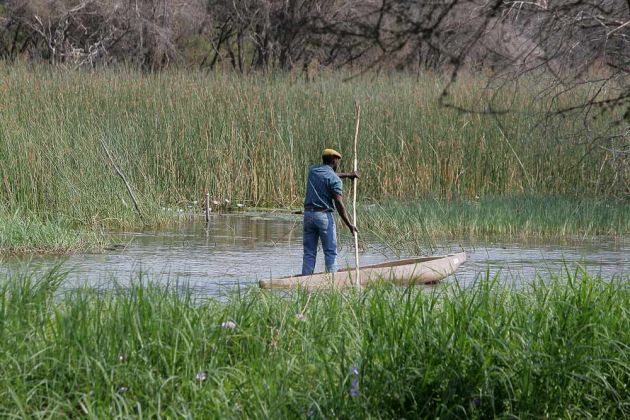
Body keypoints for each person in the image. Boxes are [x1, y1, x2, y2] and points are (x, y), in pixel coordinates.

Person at [301, 148, 359, 275]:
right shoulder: (334, 180)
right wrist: (349, 225)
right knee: (330, 251)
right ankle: (332, 280)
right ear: (334, 160)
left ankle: (304, 280)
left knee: (309, 252)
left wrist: (349, 175)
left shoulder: (313, 171)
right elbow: (338, 203)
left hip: (308, 215)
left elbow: (328, 174)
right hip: (323, 217)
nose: (338, 163)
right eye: (338, 160)